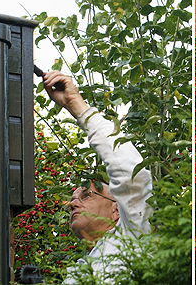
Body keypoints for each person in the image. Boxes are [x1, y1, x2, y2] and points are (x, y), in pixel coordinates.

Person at [43, 71, 153, 283]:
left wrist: (77, 107)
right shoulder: (76, 272)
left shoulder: (133, 236)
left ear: (116, 210)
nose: (73, 203)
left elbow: (132, 174)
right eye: (74, 199)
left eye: (86, 196)